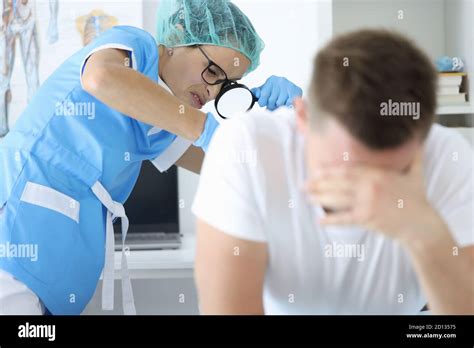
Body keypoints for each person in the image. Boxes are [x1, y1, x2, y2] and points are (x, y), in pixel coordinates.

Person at [0, 0, 302, 315]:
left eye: (225, 86)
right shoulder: (137, 46)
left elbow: (230, 165)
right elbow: (101, 77)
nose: (212, 93)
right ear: (180, 35)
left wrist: (284, 125)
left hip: (57, 268)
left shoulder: (161, 125)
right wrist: (204, 127)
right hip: (17, 234)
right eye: (212, 71)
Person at [192, 29, 474, 315]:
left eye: (393, 174)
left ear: (423, 140)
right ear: (302, 117)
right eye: (342, 169)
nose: (368, 190)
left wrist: (424, 231)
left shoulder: (448, 159)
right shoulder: (247, 150)